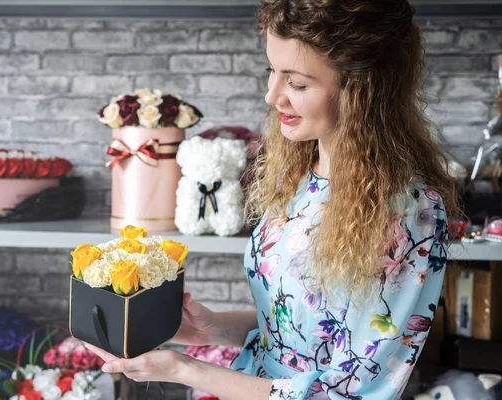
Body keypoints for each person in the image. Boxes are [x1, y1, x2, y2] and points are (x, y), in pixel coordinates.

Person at [84, 0, 459, 398]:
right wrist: (210, 326)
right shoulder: (302, 174)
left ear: (362, 88)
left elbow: (348, 392)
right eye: (272, 72)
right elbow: (296, 330)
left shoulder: (410, 213)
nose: (272, 95)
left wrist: (185, 369)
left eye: (296, 83)